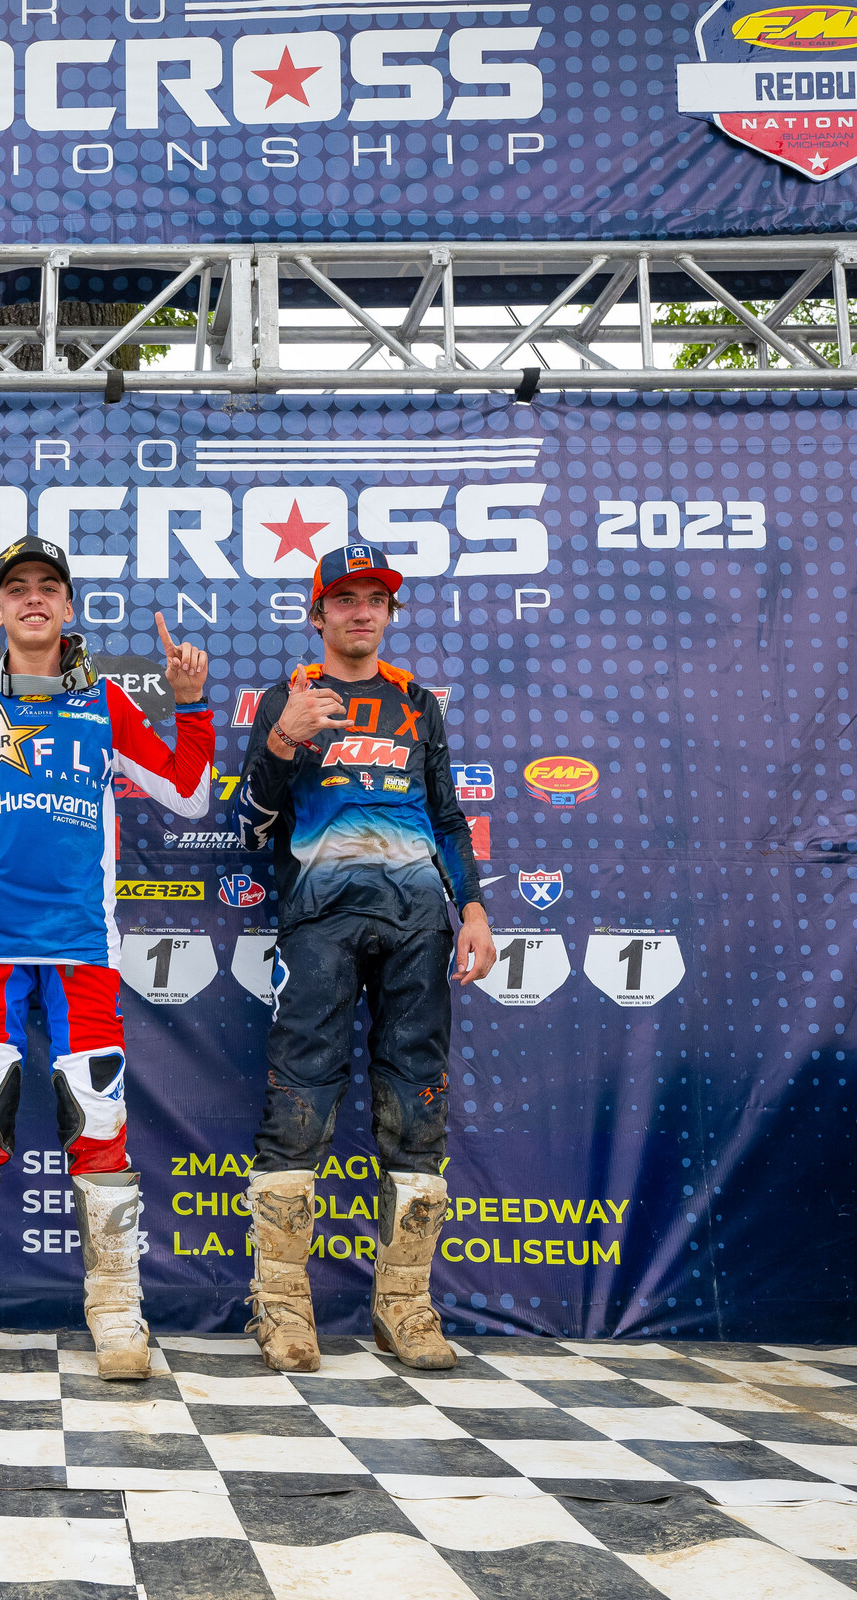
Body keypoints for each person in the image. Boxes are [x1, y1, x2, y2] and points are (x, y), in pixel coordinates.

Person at [0, 535, 214, 1381]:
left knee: (98, 1115)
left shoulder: (105, 709)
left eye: (48, 586)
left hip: (84, 948)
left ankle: (118, 1314)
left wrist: (192, 705)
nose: (32, 600)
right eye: (16, 588)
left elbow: (191, 797)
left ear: (66, 607)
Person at [233, 544, 496, 1373]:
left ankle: (405, 1308)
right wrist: (281, 741)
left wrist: (476, 908)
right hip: (319, 925)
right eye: (343, 598)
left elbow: (449, 818)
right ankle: (281, 1310)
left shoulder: (418, 703)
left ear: (390, 613)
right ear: (317, 616)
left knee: (417, 1106)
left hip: (420, 924)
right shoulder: (290, 697)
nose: (360, 611)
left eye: (375, 598)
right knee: (298, 1103)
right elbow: (249, 821)